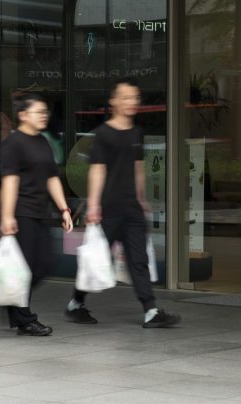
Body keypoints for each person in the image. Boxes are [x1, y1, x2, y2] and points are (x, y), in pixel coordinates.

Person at [69, 79, 181, 329]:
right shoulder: (103, 134)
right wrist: (95, 206)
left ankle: (150, 310)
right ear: (114, 101)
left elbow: (138, 167)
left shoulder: (136, 132)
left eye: (135, 98)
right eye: (126, 97)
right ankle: (76, 302)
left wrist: (141, 199)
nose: (132, 102)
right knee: (96, 259)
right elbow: (97, 171)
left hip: (131, 208)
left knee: (138, 259)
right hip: (108, 209)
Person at [0, 95, 73, 336]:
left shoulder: (42, 141)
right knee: (27, 267)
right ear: (23, 115)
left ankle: (10, 300)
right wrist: (7, 216)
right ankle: (24, 318)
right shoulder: (13, 143)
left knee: (45, 264)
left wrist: (64, 209)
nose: (44, 115)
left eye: (45, 112)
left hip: (41, 212)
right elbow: (9, 182)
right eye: (38, 111)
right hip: (22, 213)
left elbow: (52, 177)